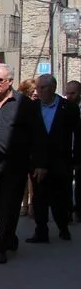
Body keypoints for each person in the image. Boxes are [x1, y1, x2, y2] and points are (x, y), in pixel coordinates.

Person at [0, 64, 43, 264]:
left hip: (16, 162)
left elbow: (37, 135)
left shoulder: (25, 105)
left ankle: (1, 245)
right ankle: (9, 236)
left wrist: (38, 163)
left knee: (11, 205)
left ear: (10, 82)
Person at [26, 74, 78, 243]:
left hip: (61, 163)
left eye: (43, 88)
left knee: (61, 198)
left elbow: (76, 136)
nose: (39, 92)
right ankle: (41, 231)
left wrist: (76, 159)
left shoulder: (68, 108)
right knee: (39, 198)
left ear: (53, 88)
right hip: (38, 163)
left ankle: (63, 227)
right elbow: (30, 138)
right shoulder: (32, 108)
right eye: (38, 88)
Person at [17, 78, 38, 217]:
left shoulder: (40, 106)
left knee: (32, 178)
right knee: (23, 178)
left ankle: (31, 205)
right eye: (32, 92)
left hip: (34, 145)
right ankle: (24, 204)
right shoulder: (20, 105)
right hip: (20, 145)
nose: (35, 94)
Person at [65, 80, 81, 221]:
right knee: (66, 184)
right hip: (66, 151)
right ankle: (68, 211)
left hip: (79, 152)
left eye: (73, 93)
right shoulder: (64, 109)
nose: (69, 96)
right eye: (67, 93)